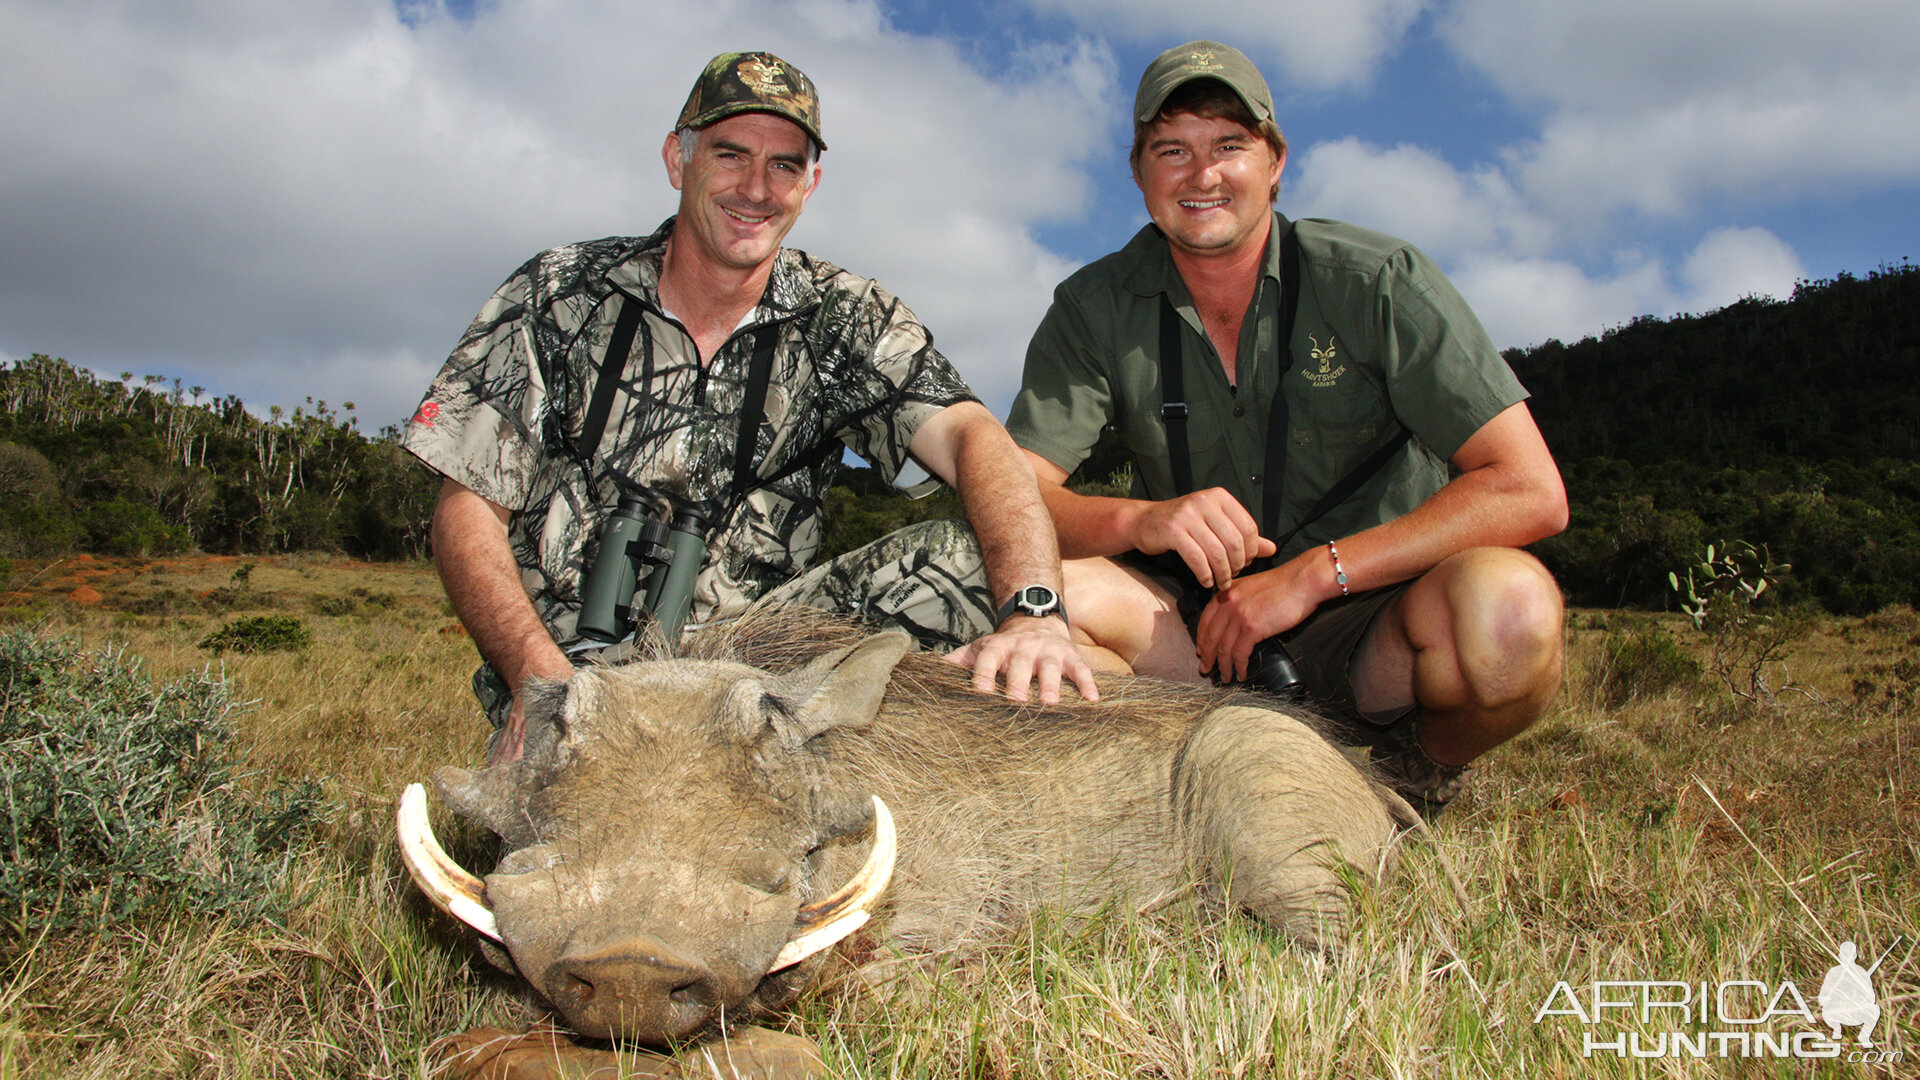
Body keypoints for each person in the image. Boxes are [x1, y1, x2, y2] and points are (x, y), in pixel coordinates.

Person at [404, 51, 1095, 765]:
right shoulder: (557, 293)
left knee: (964, 562)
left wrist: (1034, 614)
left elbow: (974, 438)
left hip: (759, 671)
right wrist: (538, 683)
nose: (757, 188)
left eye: (785, 165)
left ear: (811, 183)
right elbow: (467, 508)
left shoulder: (847, 318)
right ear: (678, 159)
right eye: (731, 154)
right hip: (568, 682)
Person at [1006, 40, 1568, 811]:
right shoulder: (1091, 306)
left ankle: (1410, 777)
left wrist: (1313, 576)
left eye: (1229, 145)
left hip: (1376, 621)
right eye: (1172, 149)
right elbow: (1017, 496)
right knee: (1031, 602)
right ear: (1139, 172)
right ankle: (1186, 785)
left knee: (1513, 612)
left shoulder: (1377, 280)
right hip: (1202, 636)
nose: (1202, 175)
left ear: (1275, 160)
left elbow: (1530, 490)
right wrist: (1142, 519)